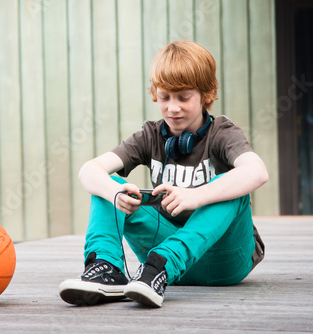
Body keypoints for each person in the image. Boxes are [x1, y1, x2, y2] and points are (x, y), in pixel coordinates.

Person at [58, 40, 268, 308]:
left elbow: (257, 172)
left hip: (223, 261)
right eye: (164, 96)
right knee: (108, 184)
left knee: (233, 186)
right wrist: (115, 194)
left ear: (206, 94)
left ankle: (161, 263)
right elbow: (89, 170)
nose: (172, 108)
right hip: (160, 268)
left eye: (183, 97)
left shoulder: (223, 134)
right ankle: (107, 268)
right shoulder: (151, 134)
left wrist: (196, 196)